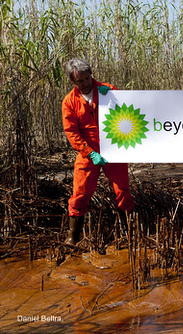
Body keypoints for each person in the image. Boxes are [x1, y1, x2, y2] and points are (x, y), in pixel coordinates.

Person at [62, 58, 135, 245]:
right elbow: (72, 132)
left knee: (123, 192)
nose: (86, 83)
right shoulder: (69, 102)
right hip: (89, 153)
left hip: (114, 148)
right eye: (81, 81)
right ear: (73, 82)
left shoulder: (107, 90)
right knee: (79, 195)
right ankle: (73, 239)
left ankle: (129, 234)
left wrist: (112, 95)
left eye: (88, 78)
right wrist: (89, 153)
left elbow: (128, 111)